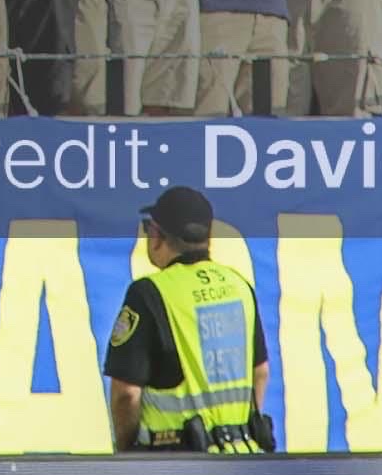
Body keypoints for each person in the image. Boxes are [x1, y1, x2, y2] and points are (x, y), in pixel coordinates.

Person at [103, 185, 269, 453]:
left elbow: (126, 394)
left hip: (176, 468)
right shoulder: (239, 286)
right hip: (242, 462)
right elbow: (260, 372)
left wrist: (125, 455)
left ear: (157, 235)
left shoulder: (149, 294)